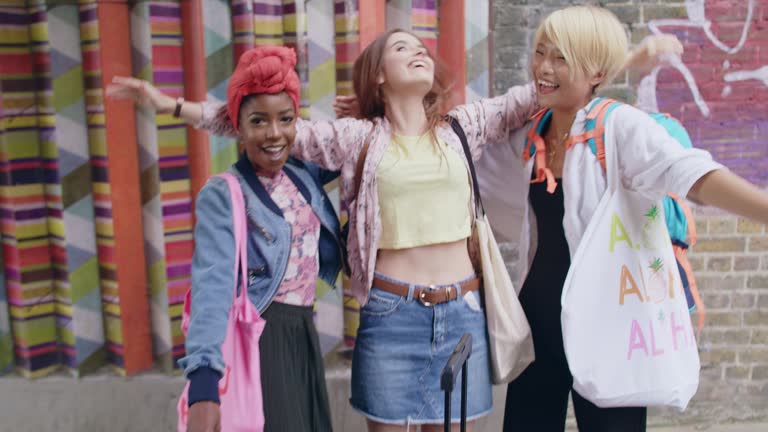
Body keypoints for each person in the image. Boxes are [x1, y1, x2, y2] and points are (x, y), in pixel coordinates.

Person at [108, 27, 681, 432]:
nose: (419, 52)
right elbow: (263, 123)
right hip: (390, 317)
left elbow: (553, 87)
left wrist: (628, 60)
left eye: (423, 48)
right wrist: (170, 104)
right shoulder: (358, 139)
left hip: (462, 316)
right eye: (402, 47)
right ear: (379, 77)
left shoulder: (465, 125)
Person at [465, 6, 768, 431]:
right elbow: (460, 158)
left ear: (595, 72)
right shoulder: (530, 131)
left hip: (608, 329)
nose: (542, 68)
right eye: (540, 52)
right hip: (538, 326)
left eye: (560, 57)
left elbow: (691, 175)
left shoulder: (619, 126)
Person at [110, 46, 343, 432]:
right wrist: (204, 383)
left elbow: (349, 143)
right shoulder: (226, 193)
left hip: (302, 332)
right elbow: (211, 286)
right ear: (237, 126)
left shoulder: (304, 173)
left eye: (286, 119)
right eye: (257, 122)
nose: (274, 134)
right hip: (261, 338)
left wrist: (368, 103)